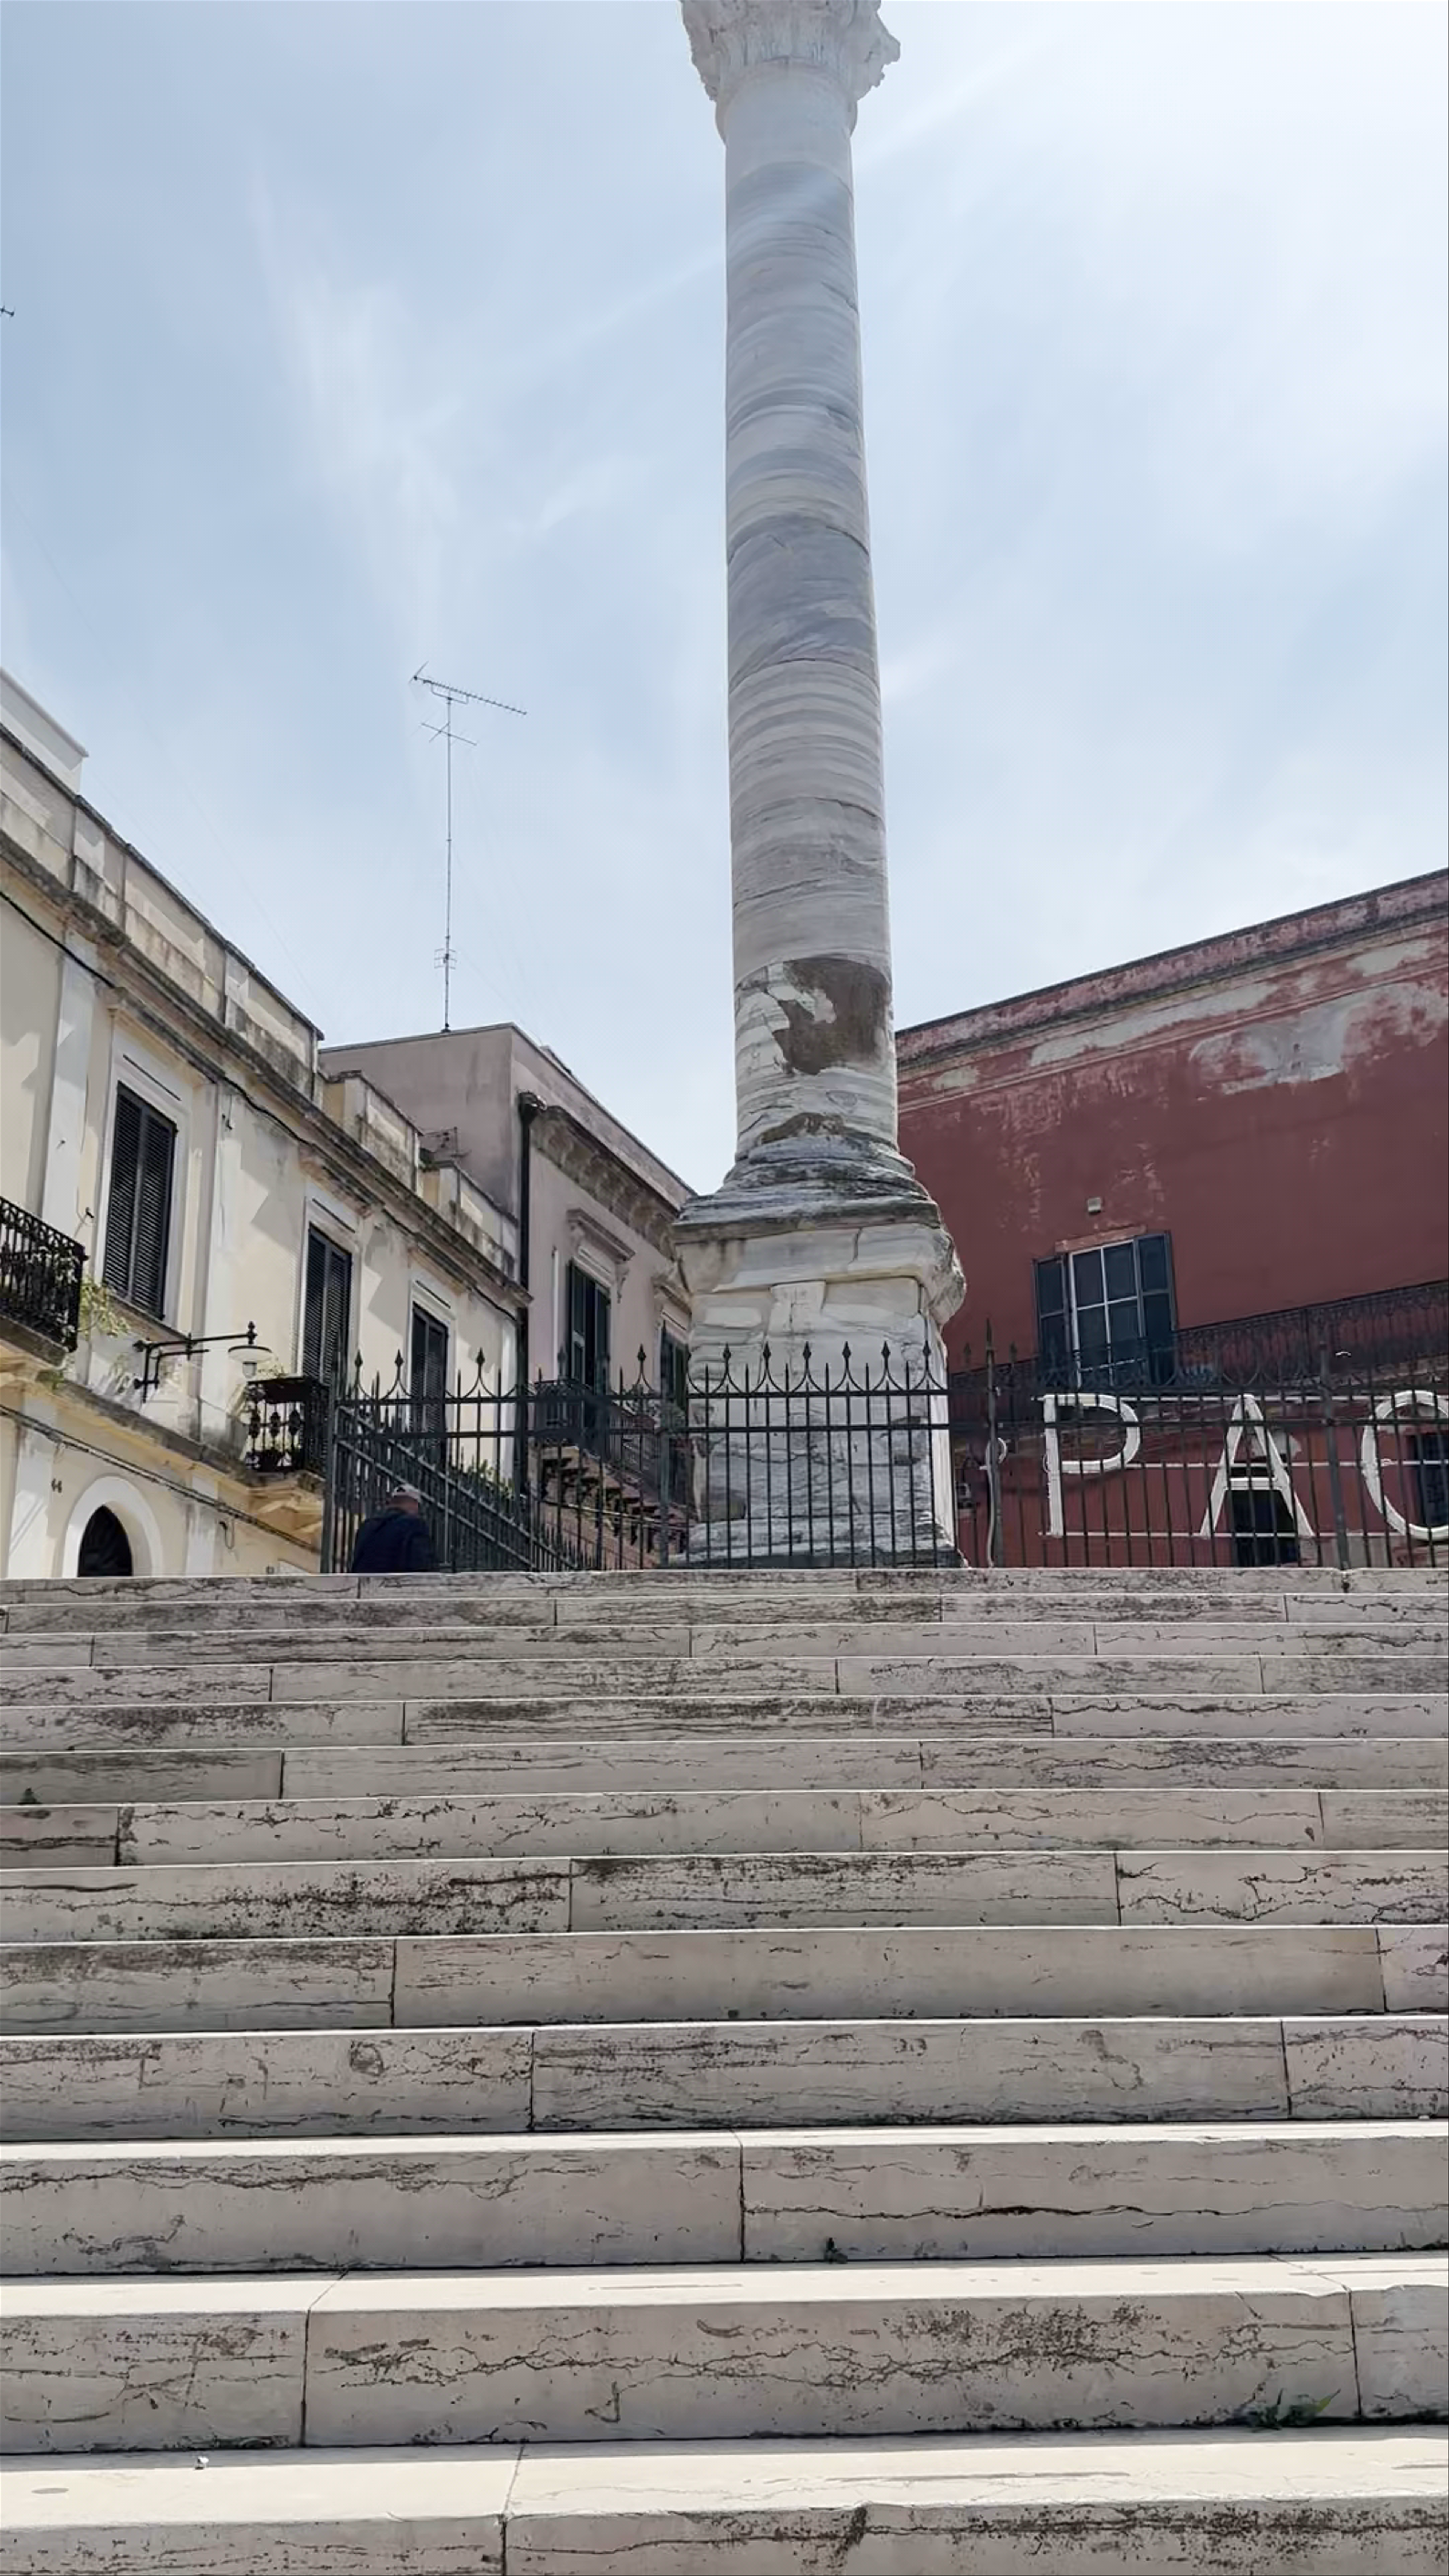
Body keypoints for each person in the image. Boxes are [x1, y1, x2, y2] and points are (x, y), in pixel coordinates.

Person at [349, 1483, 437, 1574]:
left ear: (391, 1503)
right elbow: (421, 1565)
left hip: (365, 1581)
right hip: (398, 1581)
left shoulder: (367, 1526)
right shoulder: (415, 1526)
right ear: (415, 1505)